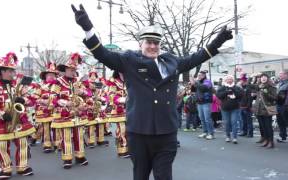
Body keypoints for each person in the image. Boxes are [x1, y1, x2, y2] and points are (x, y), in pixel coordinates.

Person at [71, 4, 232, 180]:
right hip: (139, 132)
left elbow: (197, 57)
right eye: (149, 42)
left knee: (164, 176)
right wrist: (88, 29)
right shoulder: (129, 60)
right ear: (141, 44)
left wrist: (218, 40)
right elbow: (102, 54)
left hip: (166, 133)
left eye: (156, 43)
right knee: (140, 175)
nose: (153, 46)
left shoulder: (171, 61)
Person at [0, 53, 35, 179]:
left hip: (18, 119)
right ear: (2, 71)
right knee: (2, 146)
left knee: (22, 143)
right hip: (1, 120)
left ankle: (23, 167)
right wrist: (0, 113)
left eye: (13, 71)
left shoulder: (18, 85)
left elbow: (31, 99)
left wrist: (24, 100)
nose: (12, 74)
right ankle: (5, 168)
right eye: (10, 71)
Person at [51, 53, 89, 169]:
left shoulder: (78, 81)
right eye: (71, 69)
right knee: (66, 136)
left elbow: (88, 94)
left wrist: (82, 93)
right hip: (64, 113)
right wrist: (65, 103)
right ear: (65, 70)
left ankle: (80, 156)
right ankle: (67, 159)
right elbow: (52, 98)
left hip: (78, 112)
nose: (73, 72)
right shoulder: (58, 82)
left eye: (74, 69)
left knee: (79, 135)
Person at [34, 62, 59, 153]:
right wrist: (41, 101)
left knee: (57, 127)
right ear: (45, 76)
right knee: (46, 127)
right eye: (49, 75)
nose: (51, 76)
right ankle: (47, 145)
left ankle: (57, 144)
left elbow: (61, 96)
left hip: (56, 109)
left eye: (53, 74)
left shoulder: (58, 85)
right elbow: (35, 97)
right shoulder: (40, 86)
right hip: (44, 110)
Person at [252, 73, 277, 149]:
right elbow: (250, 87)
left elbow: (274, 98)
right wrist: (253, 78)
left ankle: (271, 142)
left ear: (268, 78)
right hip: (259, 109)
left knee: (268, 126)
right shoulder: (259, 86)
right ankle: (266, 140)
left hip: (267, 109)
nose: (263, 78)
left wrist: (266, 93)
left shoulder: (271, 86)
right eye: (262, 77)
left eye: (265, 77)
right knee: (263, 126)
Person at [217, 75, 243, 144]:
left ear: (233, 80)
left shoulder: (237, 87)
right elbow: (218, 95)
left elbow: (240, 95)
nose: (229, 80)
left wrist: (233, 89)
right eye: (228, 79)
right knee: (227, 123)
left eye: (231, 79)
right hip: (225, 108)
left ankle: (234, 137)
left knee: (234, 122)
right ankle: (228, 136)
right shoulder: (222, 87)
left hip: (235, 108)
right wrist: (227, 92)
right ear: (225, 80)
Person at [190, 71, 215, 140]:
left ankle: (211, 133)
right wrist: (192, 83)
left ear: (204, 75)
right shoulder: (198, 82)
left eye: (200, 75)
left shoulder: (207, 81)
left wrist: (195, 82)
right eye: (198, 75)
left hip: (206, 102)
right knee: (202, 118)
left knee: (207, 118)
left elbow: (203, 88)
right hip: (199, 102)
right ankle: (205, 132)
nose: (198, 76)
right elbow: (193, 90)